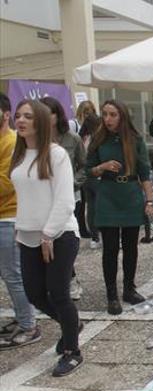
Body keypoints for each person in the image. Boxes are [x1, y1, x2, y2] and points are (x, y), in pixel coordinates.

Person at [8, 99, 84, 376]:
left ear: (40, 120)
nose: (21, 120)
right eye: (18, 116)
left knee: (59, 294)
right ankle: (71, 325)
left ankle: (72, 351)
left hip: (58, 235)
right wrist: (22, 227)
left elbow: (65, 200)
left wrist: (48, 234)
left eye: (27, 116)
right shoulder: (19, 155)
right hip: (27, 236)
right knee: (35, 294)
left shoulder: (56, 154)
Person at [87, 100, 153, 314]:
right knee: (110, 248)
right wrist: (102, 166)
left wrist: (150, 201)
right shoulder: (98, 140)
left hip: (130, 195)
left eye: (113, 114)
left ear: (122, 116)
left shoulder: (135, 140)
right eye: (105, 114)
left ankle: (129, 288)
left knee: (131, 247)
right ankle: (111, 295)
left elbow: (145, 172)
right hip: (107, 194)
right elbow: (88, 170)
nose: (108, 119)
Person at [0, 92, 39, 350]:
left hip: (9, 216)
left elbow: (5, 183)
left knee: (14, 275)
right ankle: (21, 317)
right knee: (9, 274)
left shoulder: (12, 142)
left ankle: (29, 326)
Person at [40, 96, 87, 301]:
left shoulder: (72, 138)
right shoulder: (34, 140)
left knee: (64, 238)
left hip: (69, 197)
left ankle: (69, 278)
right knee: (47, 241)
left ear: (57, 115)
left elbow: (84, 166)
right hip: (43, 199)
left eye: (47, 112)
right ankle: (57, 280)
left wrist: (72, 182)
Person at [78, 114, 102, 249]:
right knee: (100, 207)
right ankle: (100, 235)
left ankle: (94, 237)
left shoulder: (82, 139)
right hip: (96, 175)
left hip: (85, 178)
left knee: (91, 207)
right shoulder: (96, 139)